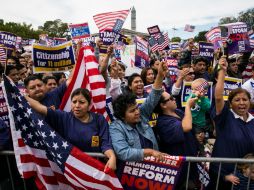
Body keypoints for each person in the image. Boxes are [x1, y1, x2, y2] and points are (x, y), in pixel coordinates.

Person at [25, 88, 116, 171]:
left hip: (95, 168)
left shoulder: (99, 119)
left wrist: (112, 157)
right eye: (74, 101)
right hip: (72, 169)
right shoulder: (63, 117)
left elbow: (105, 143)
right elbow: (39, 107)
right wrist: (18, 94)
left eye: (82, 102)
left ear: (89, 104)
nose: (77, 105)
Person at [208, 56, 254, 190]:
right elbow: (218, 97)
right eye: (237, 100)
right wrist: (222, 71)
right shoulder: (226, 117)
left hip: (247, 181)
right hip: (224, 177)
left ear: (249, 102)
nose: (241, 103)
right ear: (231, 103)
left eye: (244, 100)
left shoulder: (252, 121)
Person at [109, 61, 168, 162]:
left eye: (137, 108)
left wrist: (160, 75)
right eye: (132, 111)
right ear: (122, 116)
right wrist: (149, 152)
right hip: (133, 174)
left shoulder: (142, 115)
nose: (137, 112)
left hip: (154, 169)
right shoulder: (116, 128)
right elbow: (123, 152)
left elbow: (154, 95)